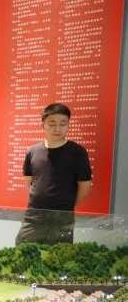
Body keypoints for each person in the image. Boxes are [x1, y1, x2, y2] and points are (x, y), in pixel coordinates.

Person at [15, 103, 92, 245]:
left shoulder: (77, 152)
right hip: (34, 215)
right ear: (43, 125)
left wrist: (67, 206)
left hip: (62, 217)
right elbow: (29, 181)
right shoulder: (32, 151)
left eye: (63, 124)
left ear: (68, 125)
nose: (57, 128)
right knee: (23, 249)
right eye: (52, 124)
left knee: (58, 254)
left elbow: (85, 186)